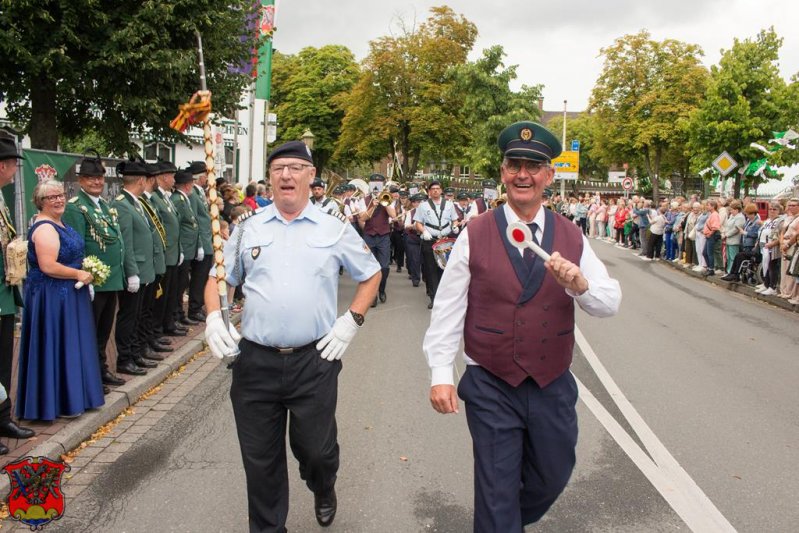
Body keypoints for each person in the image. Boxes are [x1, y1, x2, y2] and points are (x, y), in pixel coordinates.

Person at [423, 121, 621, 532]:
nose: (523, 175)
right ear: (503, 172)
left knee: (553, 473)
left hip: (551, 384)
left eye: (533, 166)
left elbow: (609, 303)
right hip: (492, 383)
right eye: (514, 164)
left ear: (549, 175)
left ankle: (504, 520)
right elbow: (447, 307)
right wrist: (441, 374)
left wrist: (580, 287)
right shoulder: (475, 232)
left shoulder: (571, 235)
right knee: (496, 491)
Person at [203, 140, 381, 532]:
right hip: (255, 362)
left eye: (296, 167)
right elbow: (221, 278)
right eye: (279, 168)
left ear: (311, 176)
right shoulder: (248, 229)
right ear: (270, 178)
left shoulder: (334, 229)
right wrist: (215, 316)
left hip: (313, 360)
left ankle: (323, 486)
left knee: (315, 452)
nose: (286, 175)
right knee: (260, 461)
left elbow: (370, 274)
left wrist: (351, 320)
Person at [16, 180, 105, 420]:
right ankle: (57, 402)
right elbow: (47, 266)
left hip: (68, 293)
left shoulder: (59, 222)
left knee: (70, 344)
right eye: (52, 197)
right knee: (57, 343)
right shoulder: (45, 227)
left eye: (61, 194)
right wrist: (78, 273)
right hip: (53, 295)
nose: (59, 199)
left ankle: (73, 397)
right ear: (41, 202)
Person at [62, 151, 126, 387]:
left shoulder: (105, 206)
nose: (97, 182)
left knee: (102, 332)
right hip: (92, 281)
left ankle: (101, 370)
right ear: (81, 181)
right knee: (89, 332)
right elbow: (77, 246)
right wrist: (84, 276)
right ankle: (89, 377)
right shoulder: (76, 207)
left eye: (99, 177)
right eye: (90, 178)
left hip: (110, 279)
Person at [0, 138, 36, 449]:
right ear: (3, 165)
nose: (14, 171)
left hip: (5, 290)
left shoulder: (1, 195)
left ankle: (3, 419)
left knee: (3, 359)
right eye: (13, 164)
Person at [111, 160, 158, 376]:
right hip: (136, 270)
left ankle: (136, 352)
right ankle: (125, 358)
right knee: (128, 316)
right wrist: (131, 272)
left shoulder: (135, 202)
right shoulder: (122, 204)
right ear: (141, 180)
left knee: (138, 315)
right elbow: (126, 243)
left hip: (144, 269)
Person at [414, 180, 458, 309]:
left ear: (441, 190)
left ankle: (444, 296)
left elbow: (455, 219)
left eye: (437, 188)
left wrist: (455, 226)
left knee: (444, 269)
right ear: (429, 191)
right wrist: (424, 231)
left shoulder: (449, 204)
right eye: (432, 189)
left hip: (445, 240)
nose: (435, 191)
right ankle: (434, 298)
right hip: (430, 240)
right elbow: (418, 223)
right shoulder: (423, 205)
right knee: (431, 269)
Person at [359, 174, 397, 307]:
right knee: (370, 267)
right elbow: (363, 218)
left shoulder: (388, 198)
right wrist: (373, 206)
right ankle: (373, 294)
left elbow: (393, 215)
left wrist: (384, 202)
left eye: (379, 183)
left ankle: (381, 288)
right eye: (374, 182)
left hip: (383, 237)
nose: (376, 185)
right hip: (369, 236)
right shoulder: (364, 200)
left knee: (384, 267)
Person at [187, 161, 213, 322]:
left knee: (203, 277)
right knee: (198, 277)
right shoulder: (193, 194)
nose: (207, 179)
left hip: (206, 240)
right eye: (205, 175)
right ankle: (194, 308)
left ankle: (198, 306)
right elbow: (195, 219)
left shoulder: (200, 193)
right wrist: (200, 245)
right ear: (199, 177)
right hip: (201, 241)